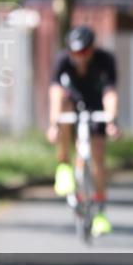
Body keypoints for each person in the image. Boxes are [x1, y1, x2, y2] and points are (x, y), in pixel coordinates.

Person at [46, 25, 121, 236]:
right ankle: (63, 165)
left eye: (84, 52)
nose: (79, 56)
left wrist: (112, 121)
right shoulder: (62, 61)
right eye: (75, 52)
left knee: (97, 153)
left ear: (92, 48)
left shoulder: (105, 60)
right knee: (63, 112)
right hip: (72, 103)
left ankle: (100, 211)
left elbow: (110, 93)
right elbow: (55, 93)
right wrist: (53, 124)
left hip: (96, 105)